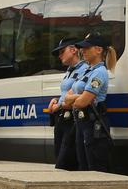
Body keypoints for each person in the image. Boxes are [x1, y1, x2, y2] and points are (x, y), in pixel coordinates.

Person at [71, 34, 112, 172]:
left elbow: (82, 102)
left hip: (93, 124)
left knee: (94, 167)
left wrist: (77, 99)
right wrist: (79, 97)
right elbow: (66, 98)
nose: (83, 51)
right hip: (82, 123)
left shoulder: (100, 72)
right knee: (83, 166)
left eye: (87, 48)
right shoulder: (87, 71)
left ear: (99, 50)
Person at [46, 37, 86, 170]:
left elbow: (74, 94)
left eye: (62, 51)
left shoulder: (84, 69)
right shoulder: (70, 70)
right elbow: (66, 93)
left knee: (64, 163)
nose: (59, 56)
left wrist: (60, 104)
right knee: (60, 158)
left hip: (72, 119)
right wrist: (56, 100)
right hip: (62, 118)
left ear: (74, 50)